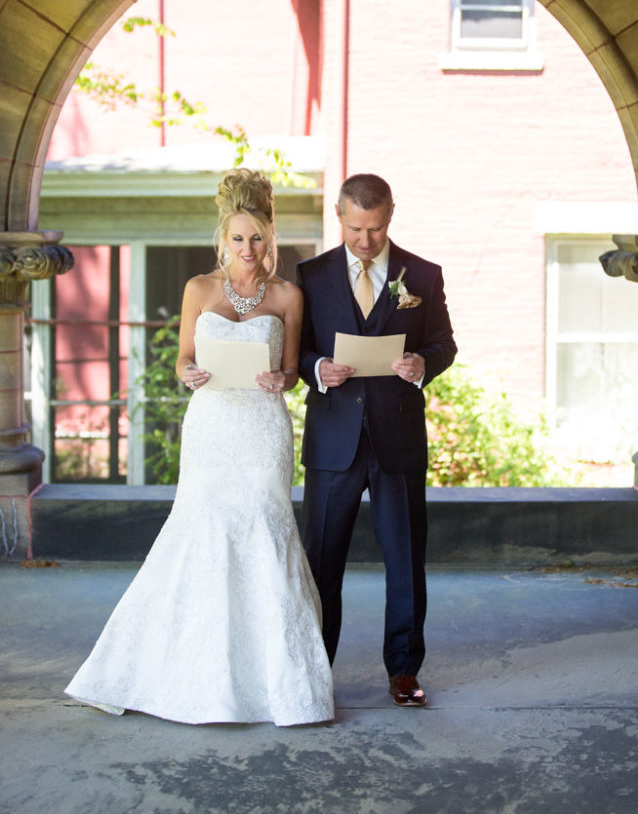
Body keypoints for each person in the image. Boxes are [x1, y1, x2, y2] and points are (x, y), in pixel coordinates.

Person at [65, 169, 334, 727]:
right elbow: (184, 358)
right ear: (223, 238)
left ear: (270, 236)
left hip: (262, 430)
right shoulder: (199, 289)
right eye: (238, 238)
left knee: (265, 531)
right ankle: (187, 678)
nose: (248, 249)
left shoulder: (288, 295)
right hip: (212, 427)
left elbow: (291, 372)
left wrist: (284, 381)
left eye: (257, 238)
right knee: (200, 535)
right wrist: (189, 373)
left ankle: (279, 688)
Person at [296, 174, 456, 708]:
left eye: (378, 227)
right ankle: (315, 670)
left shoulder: (424, 276)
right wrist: (317, 367)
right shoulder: (310, 276)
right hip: (333, 441)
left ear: (391, 215)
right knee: (322, 562)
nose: (366, 240)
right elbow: (294, 351)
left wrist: (421, 365)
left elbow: (444, 344)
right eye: (356, 227)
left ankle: (405, 672)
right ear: (338, 215)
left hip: (398, 439)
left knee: (406, 560)